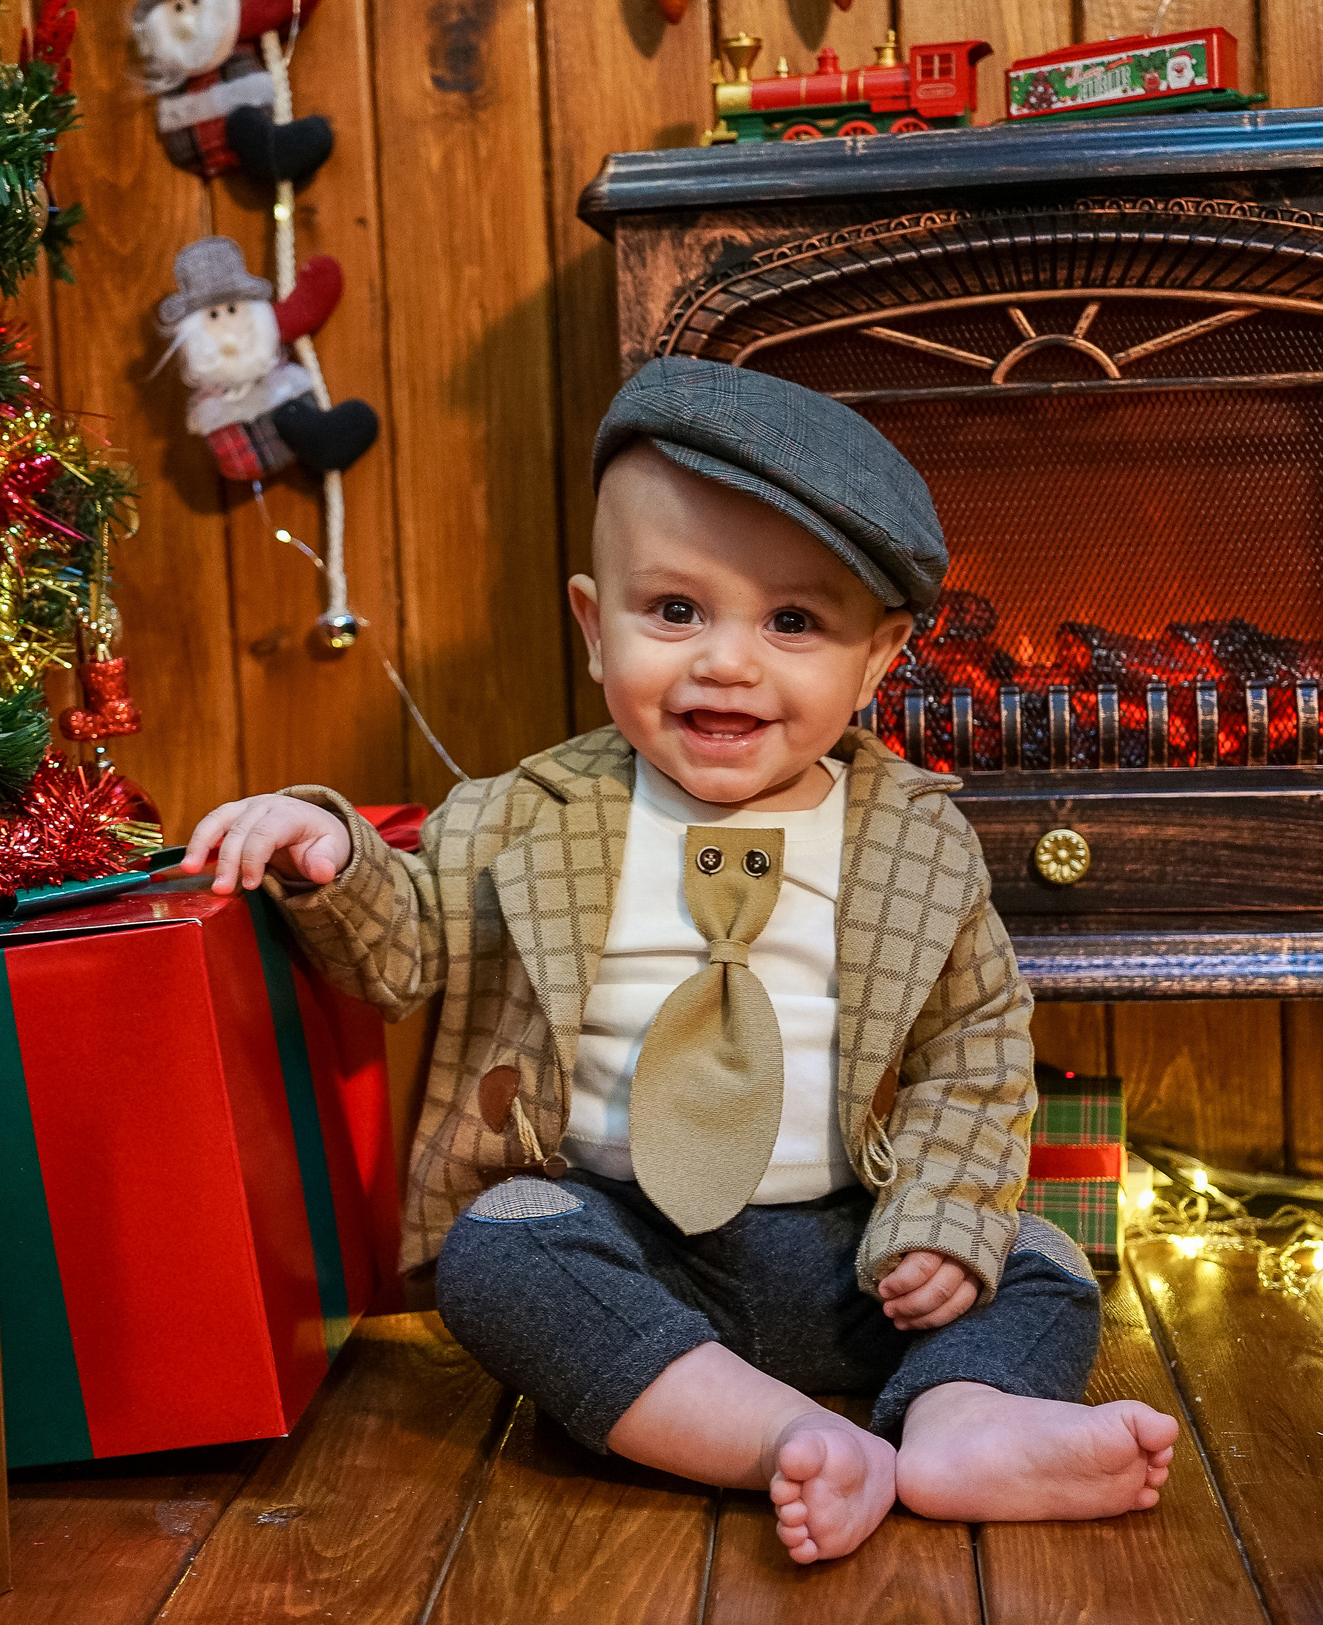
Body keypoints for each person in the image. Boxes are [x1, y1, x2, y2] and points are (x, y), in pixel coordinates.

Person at [181, 357, 1178, 1562]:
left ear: (875, 661)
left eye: (793, 622)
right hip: (630, 1253)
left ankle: (960, 1417)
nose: (726, 662)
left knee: (1037, 1251)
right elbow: (410, 953)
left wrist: (935, 1223)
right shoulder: (524, 813)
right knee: (498, 1251)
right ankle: (774, 1438)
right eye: (675, 612)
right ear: (596, 628)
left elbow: (972, 1051)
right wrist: (330, 853)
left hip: (853, 1256)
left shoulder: (915, 842)